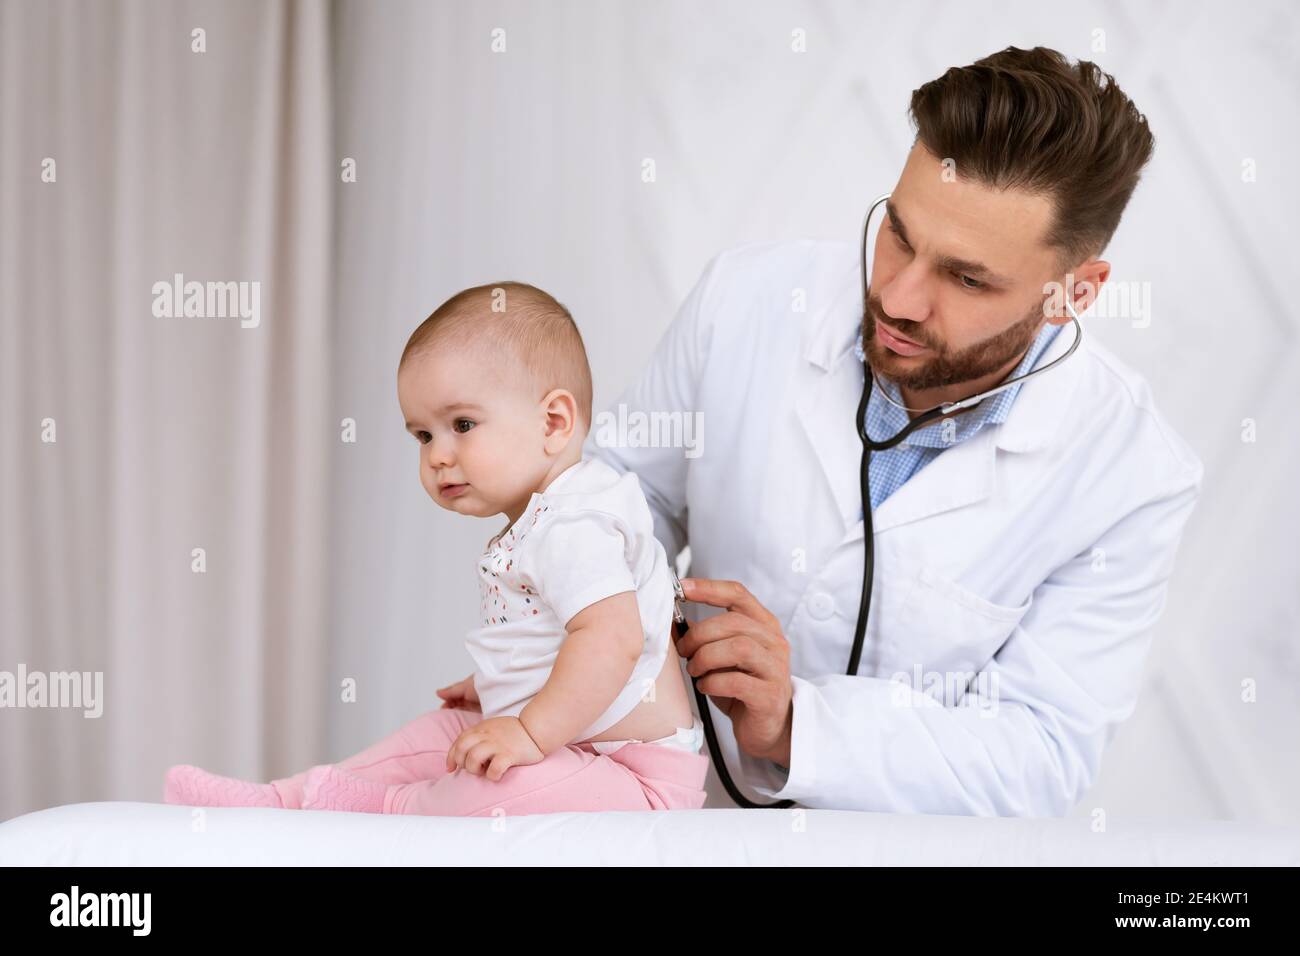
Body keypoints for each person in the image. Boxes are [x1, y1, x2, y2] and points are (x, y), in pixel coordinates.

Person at [585, 46, 1204, 815]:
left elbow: (1042, 752)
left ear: (1072, 294)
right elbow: (620, 491)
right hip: (667, 809)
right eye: (901, 235)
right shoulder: (746, 300)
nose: (900, 296)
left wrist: (796, 727)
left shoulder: (1132, 471)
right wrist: (582, 642)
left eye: (968, 278)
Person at [164, 282, 707, 816]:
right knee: (435, 736)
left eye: (462, 425)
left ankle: (384, 807)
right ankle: (284, 798)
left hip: (632, 777)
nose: (438, 456)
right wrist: (501, 683)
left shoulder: (578, 522)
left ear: (554, 422)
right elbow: (557, 638)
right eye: (423, 436)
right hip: (569, 741)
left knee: (491, 783)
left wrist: (528, 728)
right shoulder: (542, 519)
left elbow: (612, 641)